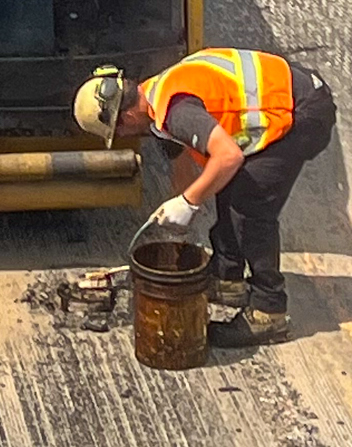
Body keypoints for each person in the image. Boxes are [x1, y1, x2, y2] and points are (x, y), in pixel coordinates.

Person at [73, 51, 337, 347]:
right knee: (228, 183)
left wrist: (189, 202)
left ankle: (269, 310)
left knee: (250, 204)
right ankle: (227, 279)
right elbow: (185, 160)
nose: (123, 134)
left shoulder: (177, 110)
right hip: (293, 93)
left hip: (303, 110)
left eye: (118, 130)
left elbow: (228, 156)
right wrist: (182, 208)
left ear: (125, 116)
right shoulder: (157, 99)